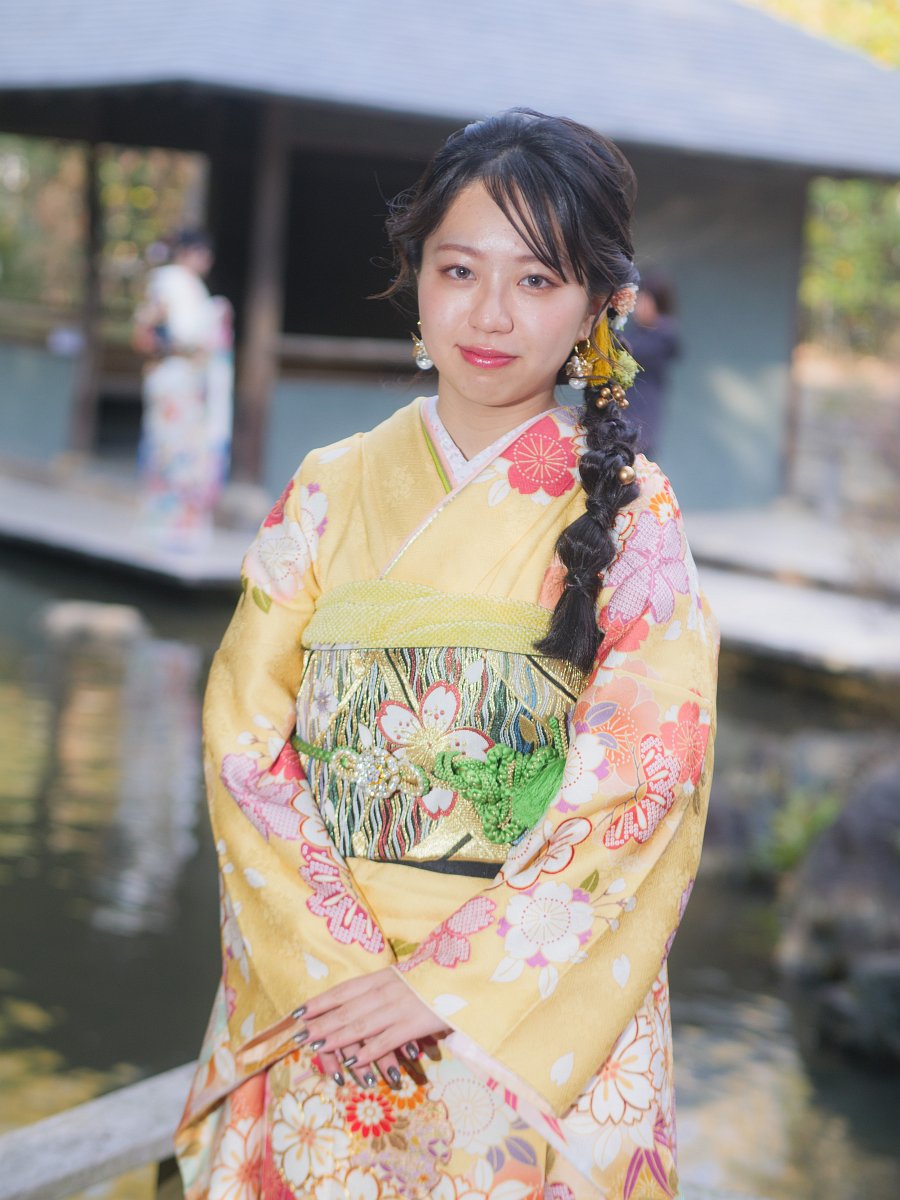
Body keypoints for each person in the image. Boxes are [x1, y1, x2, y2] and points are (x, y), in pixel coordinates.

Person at [174, 110, 718, 1200]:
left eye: (537, 279)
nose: (490, 313)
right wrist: (333, 964)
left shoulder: (631, 513)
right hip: (326, 990)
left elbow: (646, 776)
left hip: (522, 1003)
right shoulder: (329, 485)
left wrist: (444, 985)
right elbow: (244, 740)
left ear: (598, 306)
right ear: (415, 277)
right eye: (459, 269)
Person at [132, 230, 233, 550]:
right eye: (200, 252)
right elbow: (156, 332)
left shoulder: (188, 286)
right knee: (170, 450)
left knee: (187, 454)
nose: (206, 260)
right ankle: (165, 527)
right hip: (176, 376)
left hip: (190, 381)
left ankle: (179, 528)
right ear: (186, 252)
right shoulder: (171, 281)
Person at [622, 270, 681, 461]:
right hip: (629, 420)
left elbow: (628, 352)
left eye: (643, 300)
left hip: (639, 423)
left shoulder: (662, 337)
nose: (637, 306)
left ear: (657, 303)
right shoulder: (638, 332)